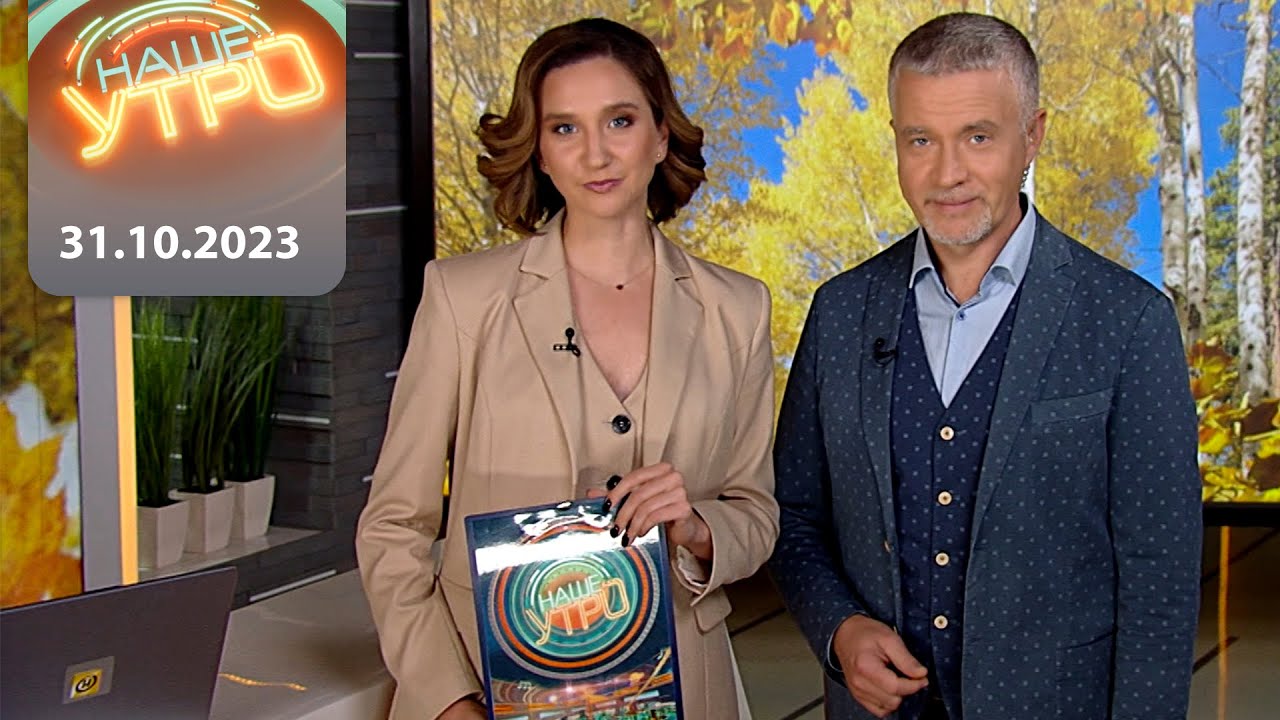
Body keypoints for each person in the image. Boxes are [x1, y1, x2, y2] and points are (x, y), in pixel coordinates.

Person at [769, 12, 1201, 720]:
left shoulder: (1129, 322)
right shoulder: (840, 313)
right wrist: (839, 631)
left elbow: (1161, 583)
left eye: (977, 137)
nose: (947, 174)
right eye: (921, 140)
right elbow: (792, 516)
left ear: (1032, 135)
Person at [356, 17, 778, 720]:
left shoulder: (738, 309)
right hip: (487, 687)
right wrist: (447, 699)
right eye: (564, 128)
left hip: (683, 682)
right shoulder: (462, 299)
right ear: (541, 152)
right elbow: (393, 527)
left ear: (660, 135)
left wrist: (697, 529)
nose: (595, 153)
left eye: (619, 120)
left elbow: (756, 514)